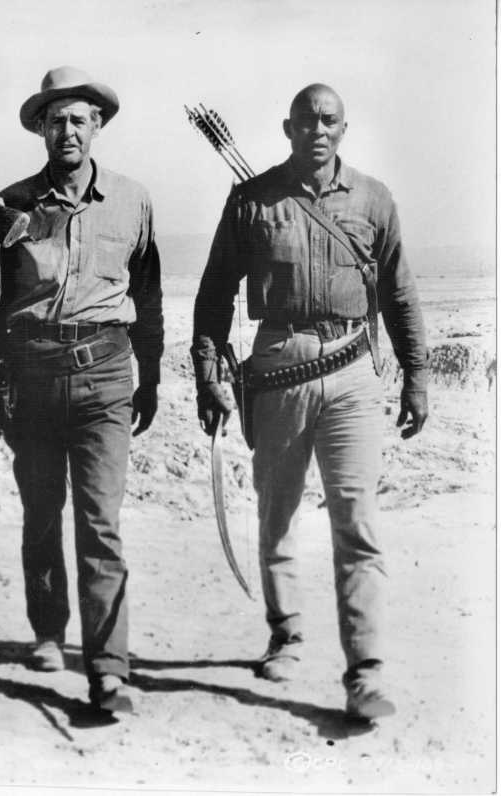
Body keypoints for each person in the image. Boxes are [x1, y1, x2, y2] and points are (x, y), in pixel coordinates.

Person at [191, 83, 428, 720]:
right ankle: (287, 633)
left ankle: (366, 671)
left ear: (343, 129)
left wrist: (417, 373)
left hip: (352, 369)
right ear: (288, 127)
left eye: (329, 120)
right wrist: (208, 374)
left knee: (357, 519)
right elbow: (214, 295)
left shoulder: (374, 200)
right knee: (278, 513)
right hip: (277, 370)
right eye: (306, 120)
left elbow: (399, 294)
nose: (317, 129)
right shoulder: (251, 200)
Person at [0, 66, 163, 714]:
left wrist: (150, 376)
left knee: (100, 523)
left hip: (105, 375)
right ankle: (49, 632)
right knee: (40, 514)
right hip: (30, 376)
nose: (68, 131)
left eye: (79, 119)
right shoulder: (12, 203)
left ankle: (108, 670)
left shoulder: (133, 201)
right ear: (40, 130)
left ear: (97, 126)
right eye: (55, 121)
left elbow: (148, 296)